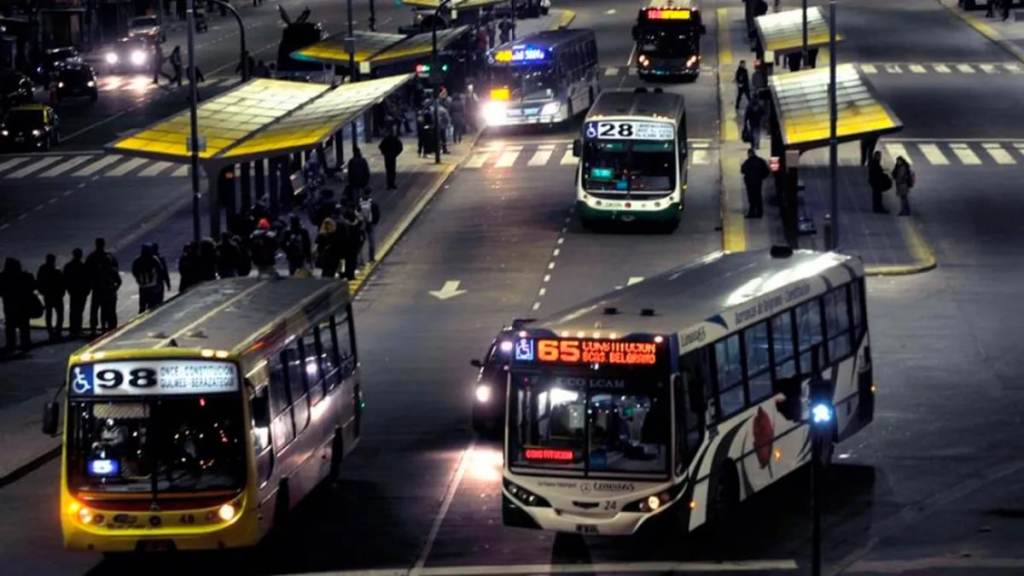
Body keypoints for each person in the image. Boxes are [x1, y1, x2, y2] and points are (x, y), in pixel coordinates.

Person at [85, 237, 121, 334]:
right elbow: (116, 272)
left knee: (95, 309)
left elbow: (86, 273)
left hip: (97, 288)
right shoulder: (109, 257)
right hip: (107, 288)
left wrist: (88, 286)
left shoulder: (92, 257)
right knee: (106, 309)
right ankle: (106, 327)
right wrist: (115, 287)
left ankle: (94, 327)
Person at [0, 258, 35, 352]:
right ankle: (25, 344)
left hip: (9, 305)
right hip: (23, 305)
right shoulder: (25, 276)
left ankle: (11, 345)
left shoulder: (3, 277)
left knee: (10, 326)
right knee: (24, 325)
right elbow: (32, 287)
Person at [36, 254, 65, 341]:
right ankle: (57, 331)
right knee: (59, 314)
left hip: (49, 295)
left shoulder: (43, 269)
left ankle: (51, 331)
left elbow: (39, 281)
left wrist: (42, 292)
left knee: (50, 314)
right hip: (55, 295)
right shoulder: (56, 270)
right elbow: (61, 282)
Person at [63, 248, 89, 337]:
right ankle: (78, 328)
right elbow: (87, 280)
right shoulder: (83, 266)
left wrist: (68, 289)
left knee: (74, 310)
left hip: (74, 291)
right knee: (79, 310)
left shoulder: (69, 266)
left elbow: (65, 279)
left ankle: (73, 329)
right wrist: (87, 290)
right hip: (81, 291)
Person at [131, 244, 164, 314]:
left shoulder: (138, 260)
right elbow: (160, 271)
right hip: (153, 285)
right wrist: (159, 283)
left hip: (143, 286)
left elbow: (134, 271)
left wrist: (139, 279)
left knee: (142, 305)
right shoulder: (154, 259)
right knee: (152, 305)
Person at [741, 149, 770, 219]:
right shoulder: (761, 161)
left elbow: (742, 170)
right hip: (758, 182)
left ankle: (752, 212)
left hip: (750, 183)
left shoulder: (747, 162)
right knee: (758, 196)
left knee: (751, 197)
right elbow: (766, 171)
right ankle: (759, 213)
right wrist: (761, 177)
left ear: (749, 154)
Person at [339, 208, 365, 280]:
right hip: (355, 246)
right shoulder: (357, 224)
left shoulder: (344, 225)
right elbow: (361, 219)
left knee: (345, 262)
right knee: (352, 261)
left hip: (346, 246)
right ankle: (351, 275)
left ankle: (344, 274)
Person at [358, 189, 381, 263]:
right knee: (371, 242)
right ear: (370, 194)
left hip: (361, 225)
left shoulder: (358, 203)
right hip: (370, 224)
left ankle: (360, 260)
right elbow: (377, 214)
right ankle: (371, 258)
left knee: (360, 243)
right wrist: (374, 222)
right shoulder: (373, 203)